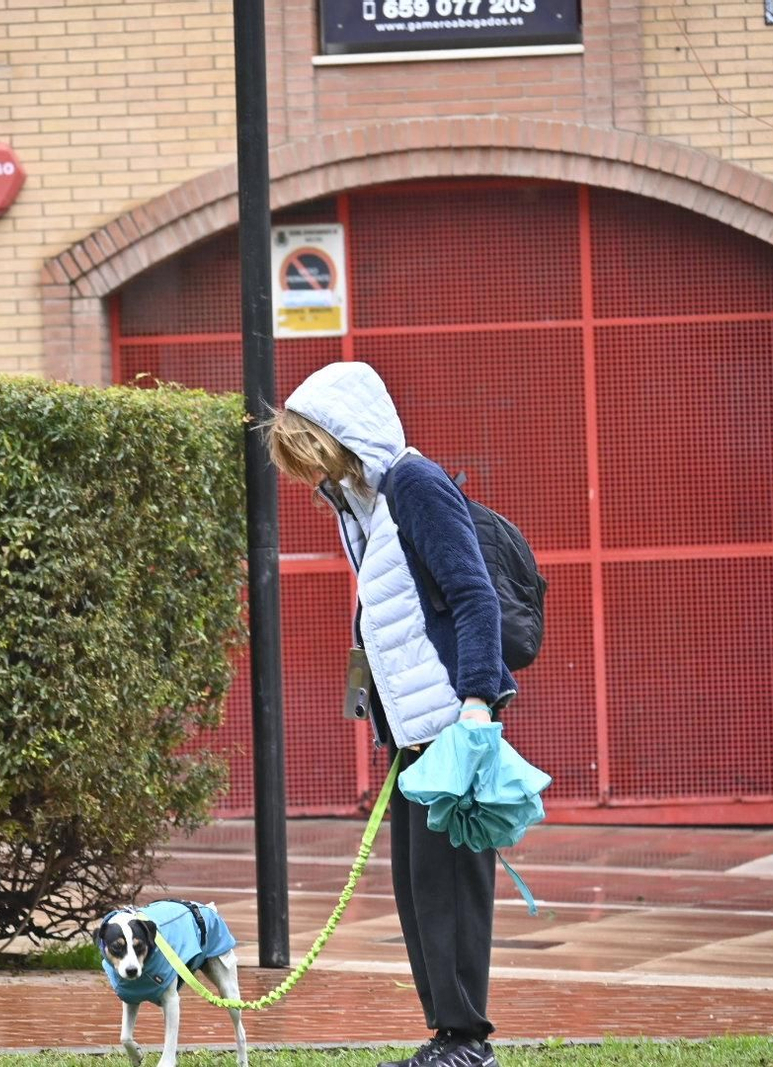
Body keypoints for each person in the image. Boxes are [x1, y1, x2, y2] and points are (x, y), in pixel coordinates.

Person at [264, 361, 514, 1067]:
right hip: (413, 728)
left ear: (344, 434)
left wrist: (474, 706)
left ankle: (468, 1045)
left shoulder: (414, 485)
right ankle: (446, 1036)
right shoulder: (367, 503)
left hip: (452, 722)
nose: (314, 475)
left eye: (313, 453)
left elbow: (474, 597)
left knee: (455, 886)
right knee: (418, 885)